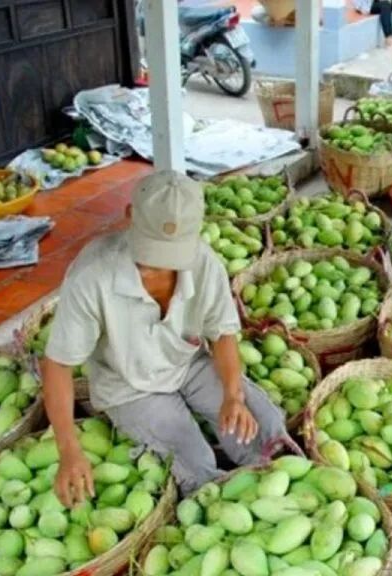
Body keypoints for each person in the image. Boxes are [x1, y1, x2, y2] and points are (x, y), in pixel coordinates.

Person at [42, 171, 289, 505]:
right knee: (195, 461)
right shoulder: (92, 277)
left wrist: (233, 394)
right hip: (129, 387)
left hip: (186, 364)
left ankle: (275, 492)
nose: (157, 266)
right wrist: (68, 449)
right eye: (150, 250)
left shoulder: (204, 262)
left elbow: (222, 332)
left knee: (265, 425)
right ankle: (217, 510)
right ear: (129, 216)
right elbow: (58, 364)